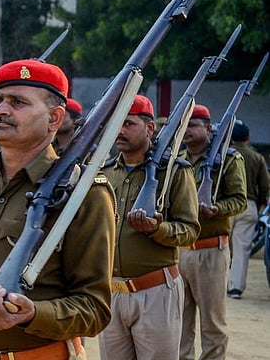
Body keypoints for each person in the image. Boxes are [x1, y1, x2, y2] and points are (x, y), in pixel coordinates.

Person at [0, 59, 114, 359]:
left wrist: (33, 313)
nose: (1, 110)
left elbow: (94, 309)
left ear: (54, 119)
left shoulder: (83, 194)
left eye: (18, 102)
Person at [98, 95, 200, 360]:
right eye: (118, 123)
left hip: (155, 292)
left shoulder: (174, 172)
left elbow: (190, 230)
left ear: (149, 128)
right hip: (111, 292)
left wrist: (157, 229)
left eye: (129, 123)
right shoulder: (105, 172)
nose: (120, 130)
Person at [178, 104, 246, 360]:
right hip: (180, 251)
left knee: (212, 324)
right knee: (180, 324)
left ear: (208, 128)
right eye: (185, 126)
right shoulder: (178, 159)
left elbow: (239, 200)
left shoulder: (227, 159)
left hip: (210, 250)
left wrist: (216, 209)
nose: (187, 131)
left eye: (193, 125)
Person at [227, 120, 270, 299]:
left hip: (225, 206)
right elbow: (265, 186)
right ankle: (235, 288)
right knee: (241, 249)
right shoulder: (257, 158)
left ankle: (217, 283)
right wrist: (260, 204)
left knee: (220, 248)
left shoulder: (226, 155)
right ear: (248, 138)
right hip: (248, 206)